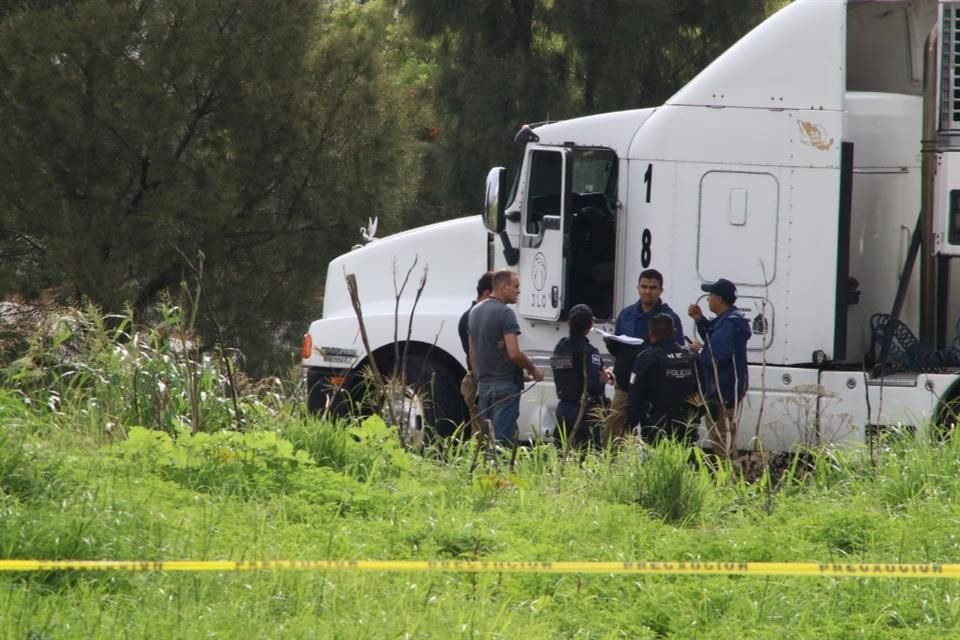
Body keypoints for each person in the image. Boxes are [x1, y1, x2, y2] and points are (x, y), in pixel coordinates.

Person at [605, 268, 685, 445]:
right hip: (626, 383)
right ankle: (611, 467)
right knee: (613, 428)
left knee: (655, 433)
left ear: (660, 290)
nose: (647, 291)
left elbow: (677, 352)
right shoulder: (626, 314)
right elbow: (619, 349)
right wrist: (612, 345)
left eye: (653, 287)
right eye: (644, 286)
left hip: (655, 387)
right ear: (638, 288)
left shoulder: (669, 318)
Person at [468, 269, 544, 445]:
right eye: (515, 286)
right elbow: (514, 353)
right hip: (505, 387)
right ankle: (499, 471)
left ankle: (484, 471)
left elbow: (473, 352)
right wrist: (533, 370)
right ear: (503, 287)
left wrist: (479, 379)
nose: (518, 291)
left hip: (484, 386)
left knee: (486, 440)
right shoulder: (505, 313)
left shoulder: (474, 312)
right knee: (502, 442)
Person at [688, 278, 751, 459]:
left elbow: (717, 357)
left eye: (710, 296)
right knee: (723, 439)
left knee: (722, 441)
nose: (707, 299)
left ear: (719, 299)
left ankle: (729, 480)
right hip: (725, 390)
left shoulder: (730, 324)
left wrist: (699, 351)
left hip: (723, 392)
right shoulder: (727, 320)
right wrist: (700, 320)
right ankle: (728, 478)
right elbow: (713, 337)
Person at [626, 314, 701, 447]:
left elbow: (635, 395)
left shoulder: (646, 358)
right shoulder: (692, 358)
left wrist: (630, 425)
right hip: (686, 423)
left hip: (656, 424)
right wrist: (694, 417)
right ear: (674, 332)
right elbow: (703, 394)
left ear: (650, 333)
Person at [550, 304, 611, 449]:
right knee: (586, 454)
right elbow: (594, 385)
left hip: (563, 407)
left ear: (569, 323)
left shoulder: (560, 347)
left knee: (561, 451)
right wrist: (605, 378)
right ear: (590, 326)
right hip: (583, 411)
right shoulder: (589, 352)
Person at [458, 271, 493, 438]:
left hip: (477, 379)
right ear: (486, 293)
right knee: (481, 432)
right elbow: (475, 353)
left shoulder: (470, 315)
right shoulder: (473, 317)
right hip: (478, 380)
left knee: (481, 430)